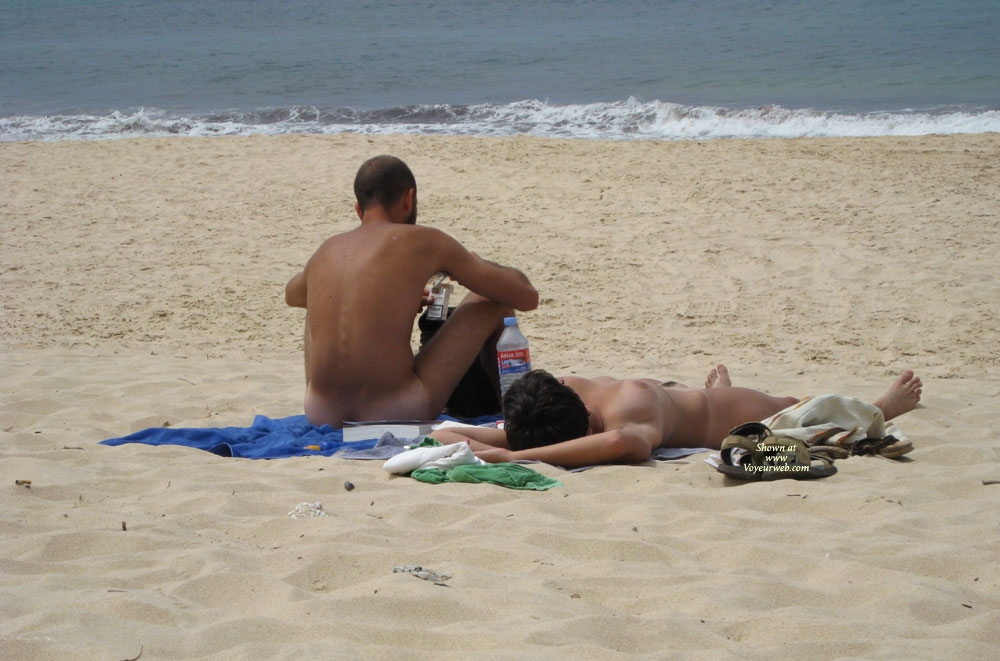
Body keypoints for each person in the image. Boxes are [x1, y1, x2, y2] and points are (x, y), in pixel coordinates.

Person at [285, 155, 538, 427]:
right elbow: (526, 296)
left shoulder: (328, 249)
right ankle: (518, 417)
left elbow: (292, 295)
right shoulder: (425, 240)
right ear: (409, 199)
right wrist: (478, 265)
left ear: (359, 209)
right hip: (397, 410)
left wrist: (392, 301)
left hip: (321, 413)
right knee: (494, 300)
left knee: (316, 295)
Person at [429, 365, 923, 469]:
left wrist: (508, 454)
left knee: (810, 411)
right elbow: (448, 431)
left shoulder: (630, 415)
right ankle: (716, 392)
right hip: (696, 406)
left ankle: (880, 407)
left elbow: (625, 445)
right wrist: (496, 442)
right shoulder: (567, 391)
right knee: (693, 400)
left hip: (756, 412)